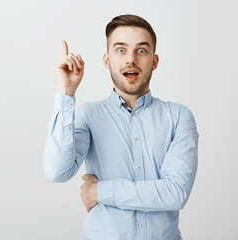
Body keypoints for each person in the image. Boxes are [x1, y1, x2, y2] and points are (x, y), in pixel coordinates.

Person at [43, 14, 198, 240]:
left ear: (154, 61)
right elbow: (56, 172)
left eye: (141, 50)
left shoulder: (179, 117)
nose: (131, 60)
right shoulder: (88, 115)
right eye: (121, 50)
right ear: (107, 60)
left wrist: (99, 191)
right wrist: (66, 92)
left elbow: (175, 193)